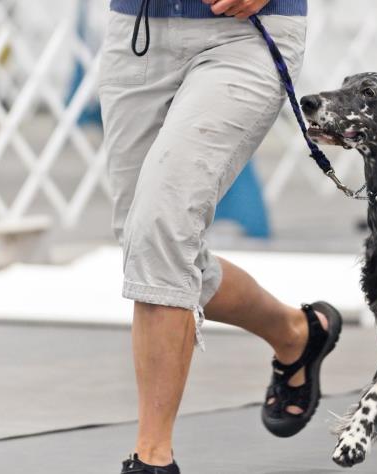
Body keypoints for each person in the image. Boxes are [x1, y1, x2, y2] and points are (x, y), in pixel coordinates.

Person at [97, 1, 342, 472]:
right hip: (137, 31)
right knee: (147, 244)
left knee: (161, 228)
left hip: (243, 34)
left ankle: (153, 459)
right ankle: (295, 332)